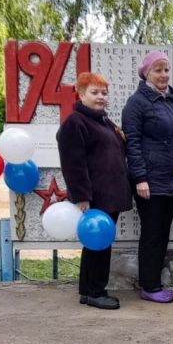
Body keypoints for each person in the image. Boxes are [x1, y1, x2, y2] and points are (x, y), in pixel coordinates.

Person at [122, 50, 173, 304]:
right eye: (158, 70)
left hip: (172, 180)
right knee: (152, 233)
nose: (164, 75)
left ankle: (153, 281)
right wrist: (140, 177)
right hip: (149, 182)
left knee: (162, 232)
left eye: (166, 69)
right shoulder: (137, 103)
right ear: (146, 73)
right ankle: (150, 286)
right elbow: (131, 143)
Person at [57, 71, 132, 310]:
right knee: (98, 243)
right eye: (94, 92)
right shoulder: (75, 122)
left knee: (98, 243)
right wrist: (81, 196)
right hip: (95, 196)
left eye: (104, 93)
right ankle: (96, 291)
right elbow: (73, 162)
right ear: (81, 94)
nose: (101, 97)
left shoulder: (103, 121)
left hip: (109, 194)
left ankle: (87, 289)